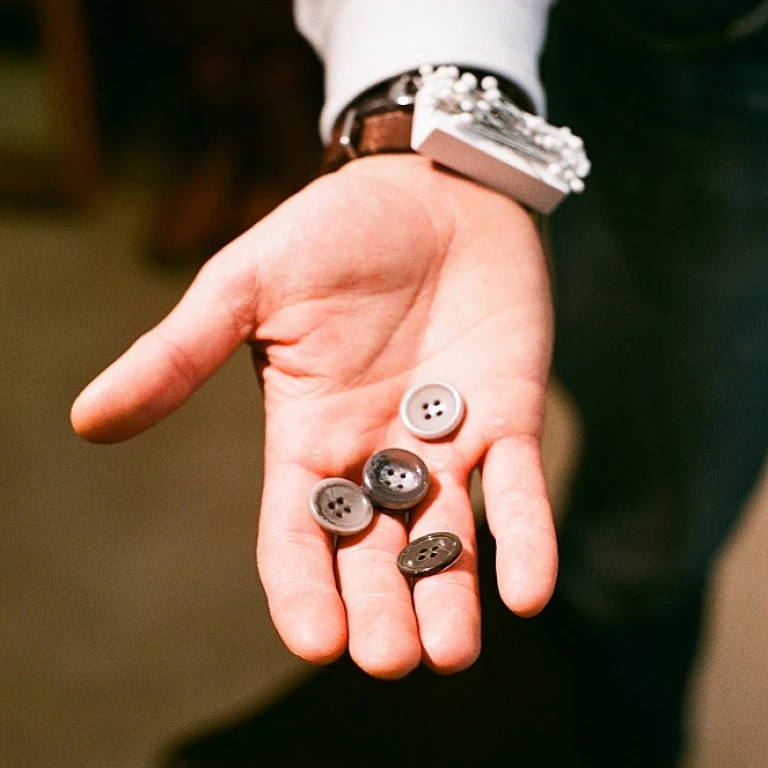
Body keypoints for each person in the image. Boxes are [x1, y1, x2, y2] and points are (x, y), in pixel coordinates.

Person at [71, 1, 768, 766]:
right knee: (640, 448)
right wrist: (414, 119)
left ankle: (613, 679)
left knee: (671, 497)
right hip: (665, 36)